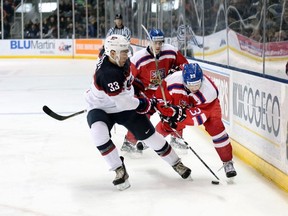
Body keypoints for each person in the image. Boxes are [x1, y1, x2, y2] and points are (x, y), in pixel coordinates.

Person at [84, 34, 192, 191]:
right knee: (98, 134)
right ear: (112, 53)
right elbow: (126, 102)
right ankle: (118, 169)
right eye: (123, 52)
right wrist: (146, 104)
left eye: (126, 51)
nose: (127, 54)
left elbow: (128, 79)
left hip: (121, 104)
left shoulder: (121, 60)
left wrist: (138, 84)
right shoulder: (108, 74)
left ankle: (176, 163)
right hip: (101, 107)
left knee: (151, 137)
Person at [153, 63, 237, 178]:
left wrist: (179, 115)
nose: (194, 88)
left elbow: (198, 118)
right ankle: (151, 139)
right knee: (169, 123)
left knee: (217, 129)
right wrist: (165, 112)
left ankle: (228, 162)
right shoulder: (172, 80)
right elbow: (159, 98)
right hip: (183, 100)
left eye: (197, 84)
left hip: (208, 107)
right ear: (184, 79)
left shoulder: (209, 91)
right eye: (191, 84)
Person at [121, 28, 189, 154]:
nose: (158, 46)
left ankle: (177, 137)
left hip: (165, 91)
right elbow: (128, 78)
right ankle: (129, 142)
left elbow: (184, 65)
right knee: (142, 116)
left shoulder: (170, 51)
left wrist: (177, 72)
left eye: (160, 42)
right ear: (149, 41)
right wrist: (132, 91)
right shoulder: (139, 58)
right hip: (147, 93)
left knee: (175, 111)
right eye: (155, 42)